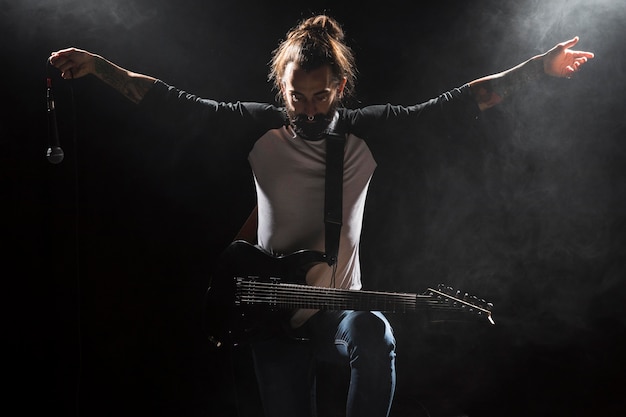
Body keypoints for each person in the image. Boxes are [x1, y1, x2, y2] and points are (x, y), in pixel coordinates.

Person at [48, 14, 594, 417]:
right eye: (297, 97)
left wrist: (536, 70)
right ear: (282, 91)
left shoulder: (367, 132)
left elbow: (458, 104)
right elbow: (168, 100)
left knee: (375, 337)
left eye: (321, 97)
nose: (309, 109)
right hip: (269, 314)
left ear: (340, 89)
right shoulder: (258, 128)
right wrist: (97, 67)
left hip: (340, 306)